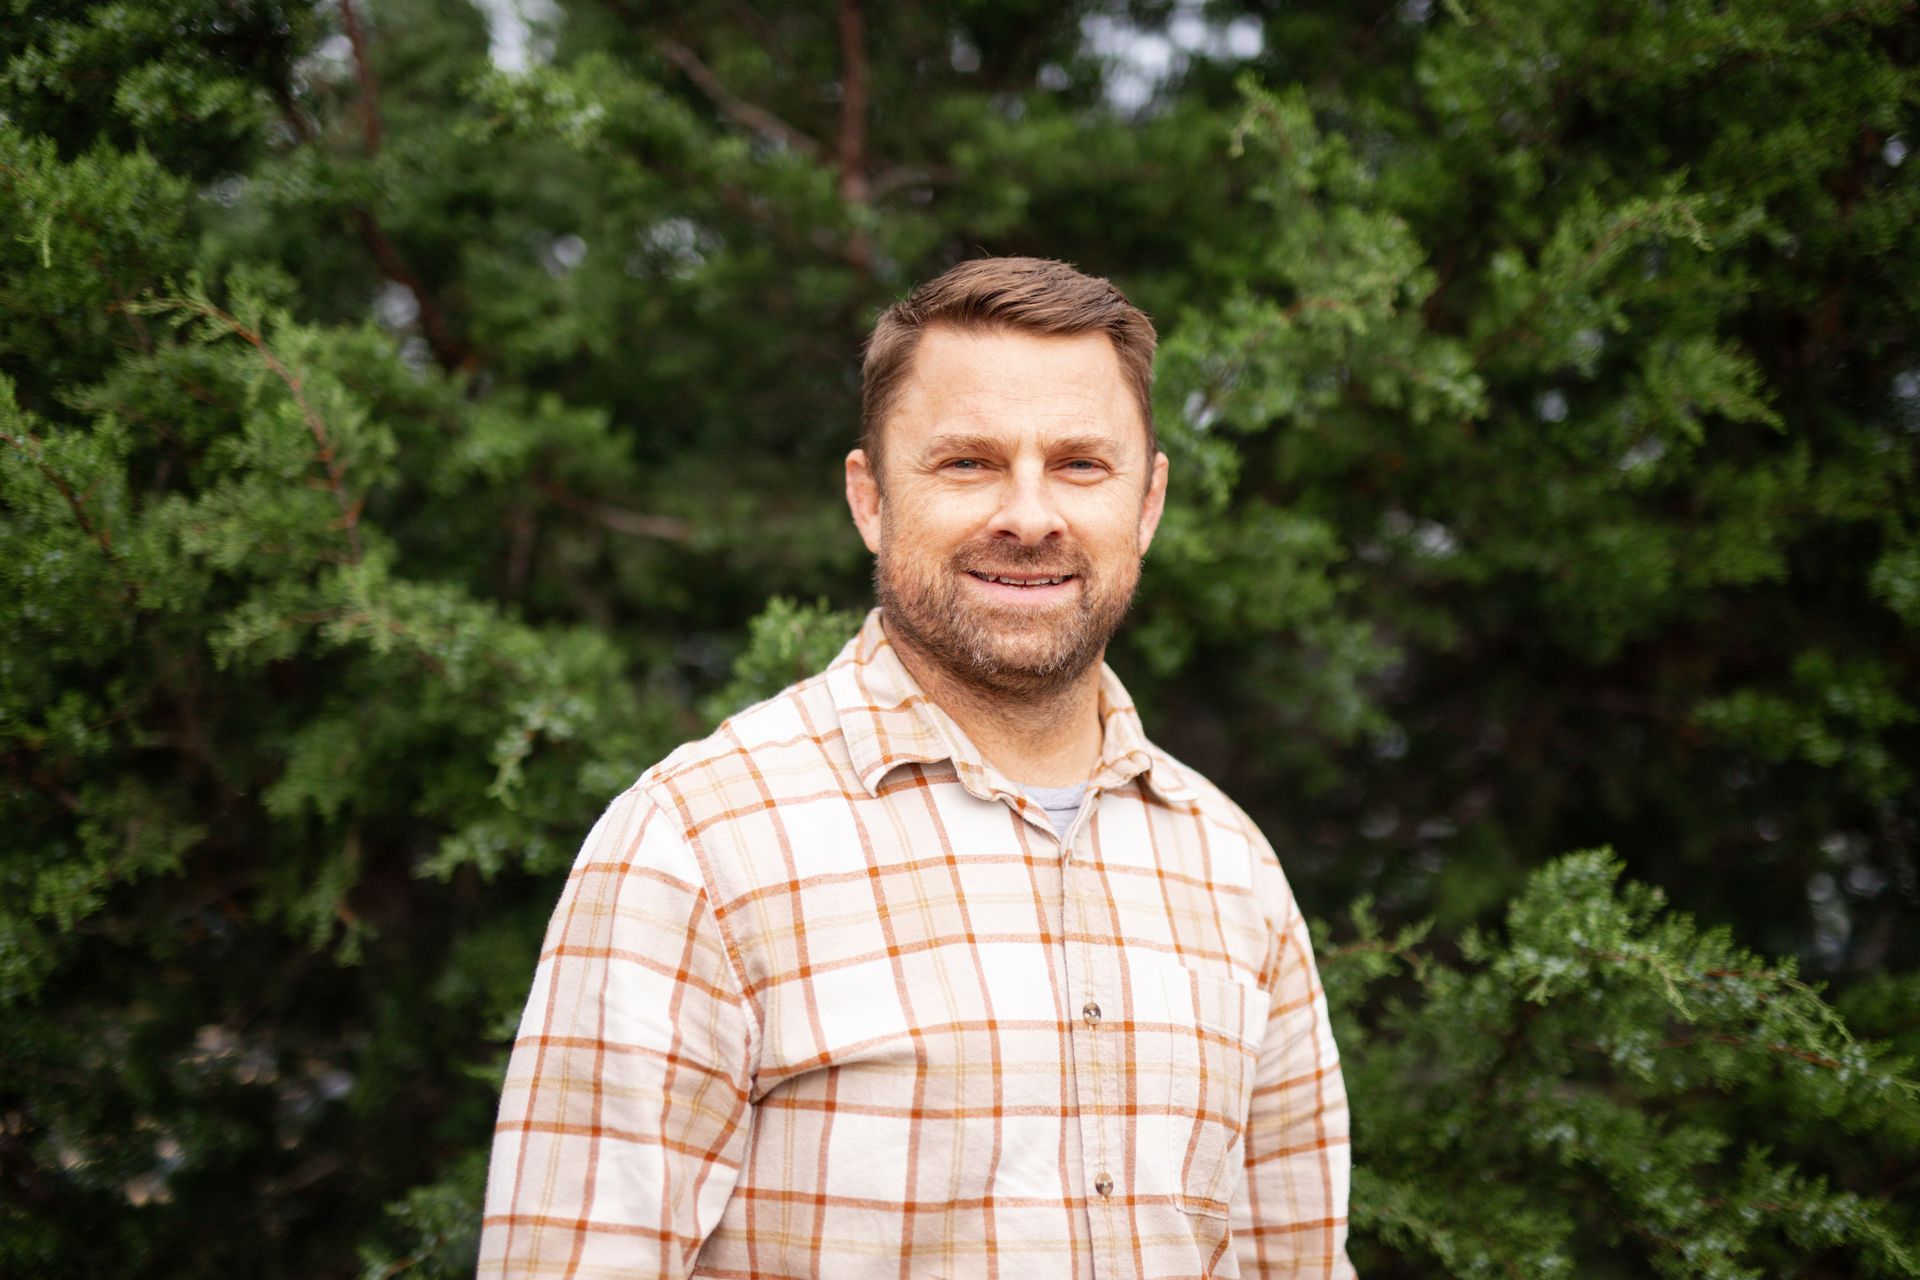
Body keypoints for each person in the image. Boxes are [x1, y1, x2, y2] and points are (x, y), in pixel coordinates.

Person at [477, 257, 1353, 1278]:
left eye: (1080, 464)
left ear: (1147, 502)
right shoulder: (697, 847)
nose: (1029, 516)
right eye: (968, 463)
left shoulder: (1231, 870)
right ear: (870, 498)